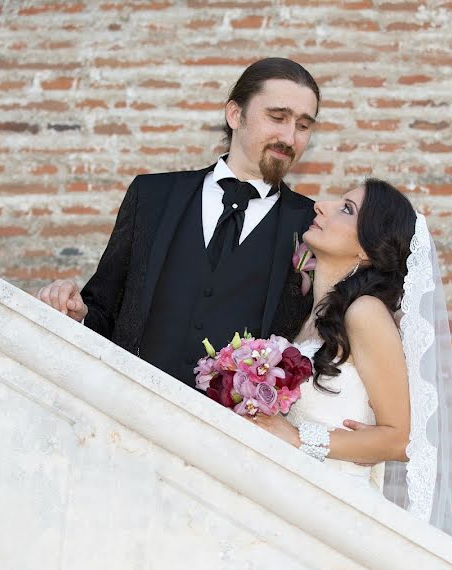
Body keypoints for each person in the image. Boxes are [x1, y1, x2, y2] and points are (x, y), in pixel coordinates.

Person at [35, 58, 320, 386]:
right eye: (277, 117)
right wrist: (77, 312)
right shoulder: (152, 196)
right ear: (234, 114)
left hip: (234, 430)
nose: (289, 136)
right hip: (128, 405)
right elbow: (104, 310)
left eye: (303, 125)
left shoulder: (313, 227)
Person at [248, 179, 452, 549]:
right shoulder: (310, 318)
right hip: (292, 503)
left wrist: (296, 437)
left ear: (367, 250)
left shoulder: (365, 313)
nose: (320, 205)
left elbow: (401, 439)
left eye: (346, 209)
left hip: (334, 514)